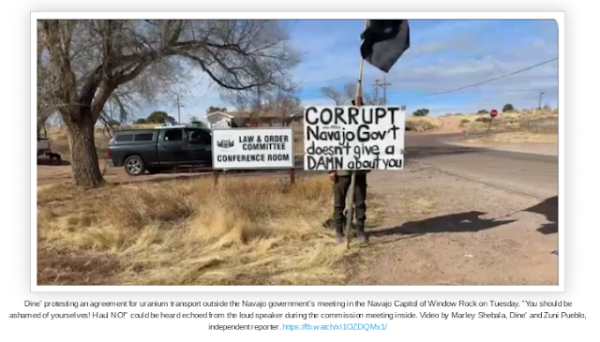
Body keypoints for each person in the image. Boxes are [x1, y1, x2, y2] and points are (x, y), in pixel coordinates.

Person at [328, 169, 370, 244]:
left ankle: (360, 231)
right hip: (341, 172)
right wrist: (331, 170)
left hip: (359, 172)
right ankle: (339, 232)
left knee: (360, 203)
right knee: (339, 204)